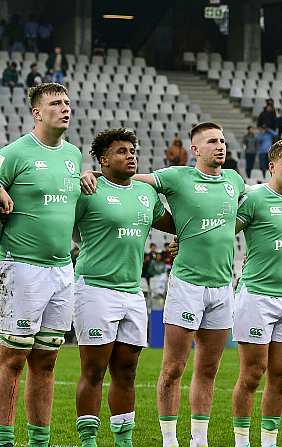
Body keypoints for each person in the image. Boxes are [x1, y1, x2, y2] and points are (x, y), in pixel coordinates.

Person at [81, 122, 247, 447]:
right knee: (173, 368)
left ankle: (199, 440)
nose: (221, 146)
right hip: (187, 285)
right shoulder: (175, 177)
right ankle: (169, 441)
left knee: (209, 369)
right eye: (212, 141)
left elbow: (257, 197)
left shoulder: (234, 180)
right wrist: (95, 175)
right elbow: (131, 180)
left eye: (223, 140)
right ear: (195, 149)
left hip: (222, 286)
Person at [73, 128, 176, 447]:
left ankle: (123, 441)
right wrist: (80, 175)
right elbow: (64, 222)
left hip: (133, 293)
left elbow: (179, 224)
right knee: (93, 371)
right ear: (103, 159)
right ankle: (89, 441)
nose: (131, 156)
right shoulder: (88, 189)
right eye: (121, 151)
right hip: (95, 289)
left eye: (133, 151)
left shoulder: (146, 195)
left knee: (127, 371)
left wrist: (180, 243)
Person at [0, 83, 81, 447]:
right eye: (55, 103)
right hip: (21, 268)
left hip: (63, 270)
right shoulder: (15, 152)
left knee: (47, 360)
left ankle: (39, 442)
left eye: (66, 103)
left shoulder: (74, 155)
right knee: (12, 358)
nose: (64, 108)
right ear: (37, 112)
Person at [230, 139, 282, 447]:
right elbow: (226, 231)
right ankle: (241, 441)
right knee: (252, 373)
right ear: (271, 166)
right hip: (256, 295)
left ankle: (269, 442)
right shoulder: (254, 198)